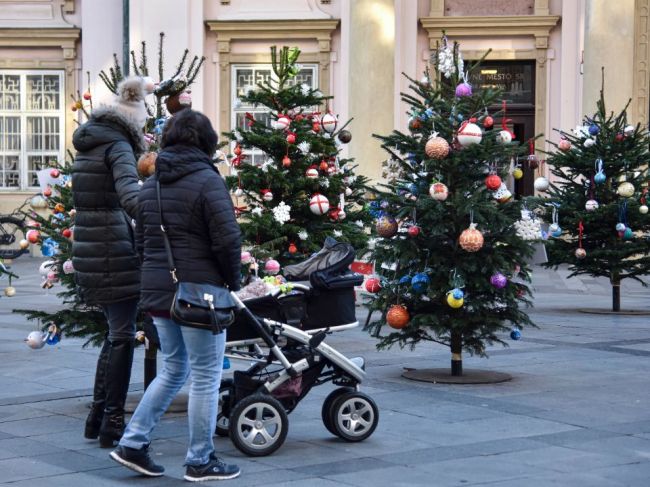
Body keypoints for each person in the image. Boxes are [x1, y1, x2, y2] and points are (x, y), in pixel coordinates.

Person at [110, 109, 242, 481]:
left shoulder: (150, 184)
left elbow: (142, 241)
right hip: (201, 294)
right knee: (205, 375)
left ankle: (133, 443)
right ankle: (200, 460)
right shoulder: (206, 180)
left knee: (173, 369)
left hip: (159, 294)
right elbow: (228, 239)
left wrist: (152, 281)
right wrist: (232, 281)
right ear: (206, 142)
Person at [72, 77, 146, 448]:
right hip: (112, 246)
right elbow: (130, 196)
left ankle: (98, 417)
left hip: (90, 242)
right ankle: (113, 422)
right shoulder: (118, 146)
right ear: (134, 123)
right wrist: (158, 213)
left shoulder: (90, 141)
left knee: (115, 330)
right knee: (122, 334)